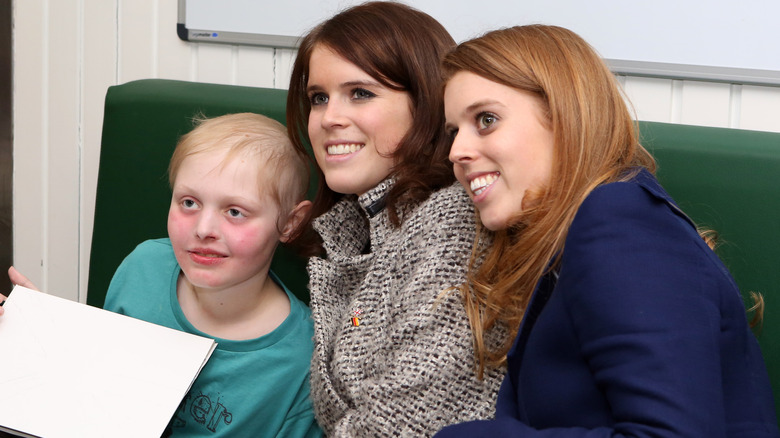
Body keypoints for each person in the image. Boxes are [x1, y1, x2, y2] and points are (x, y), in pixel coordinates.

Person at [434, 25, 779, 437]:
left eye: (486, 120)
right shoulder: (581, 231)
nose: (456, 152)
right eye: (454, 131)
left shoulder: (617, 218)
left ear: (565, 117)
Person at [8, 113, 321, 437]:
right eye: (189, 202)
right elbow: (96, 389)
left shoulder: (304, 357)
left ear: (291, 223)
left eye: (235, 212)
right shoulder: (142, 269)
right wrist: (38, 334)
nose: (203, 229)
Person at [285, 2, 504, 436]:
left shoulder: (453, 223)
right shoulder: (353, 226)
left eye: (360, 93)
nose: (330, 118)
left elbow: (406, 425)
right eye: (318, 98)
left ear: (426, 105)